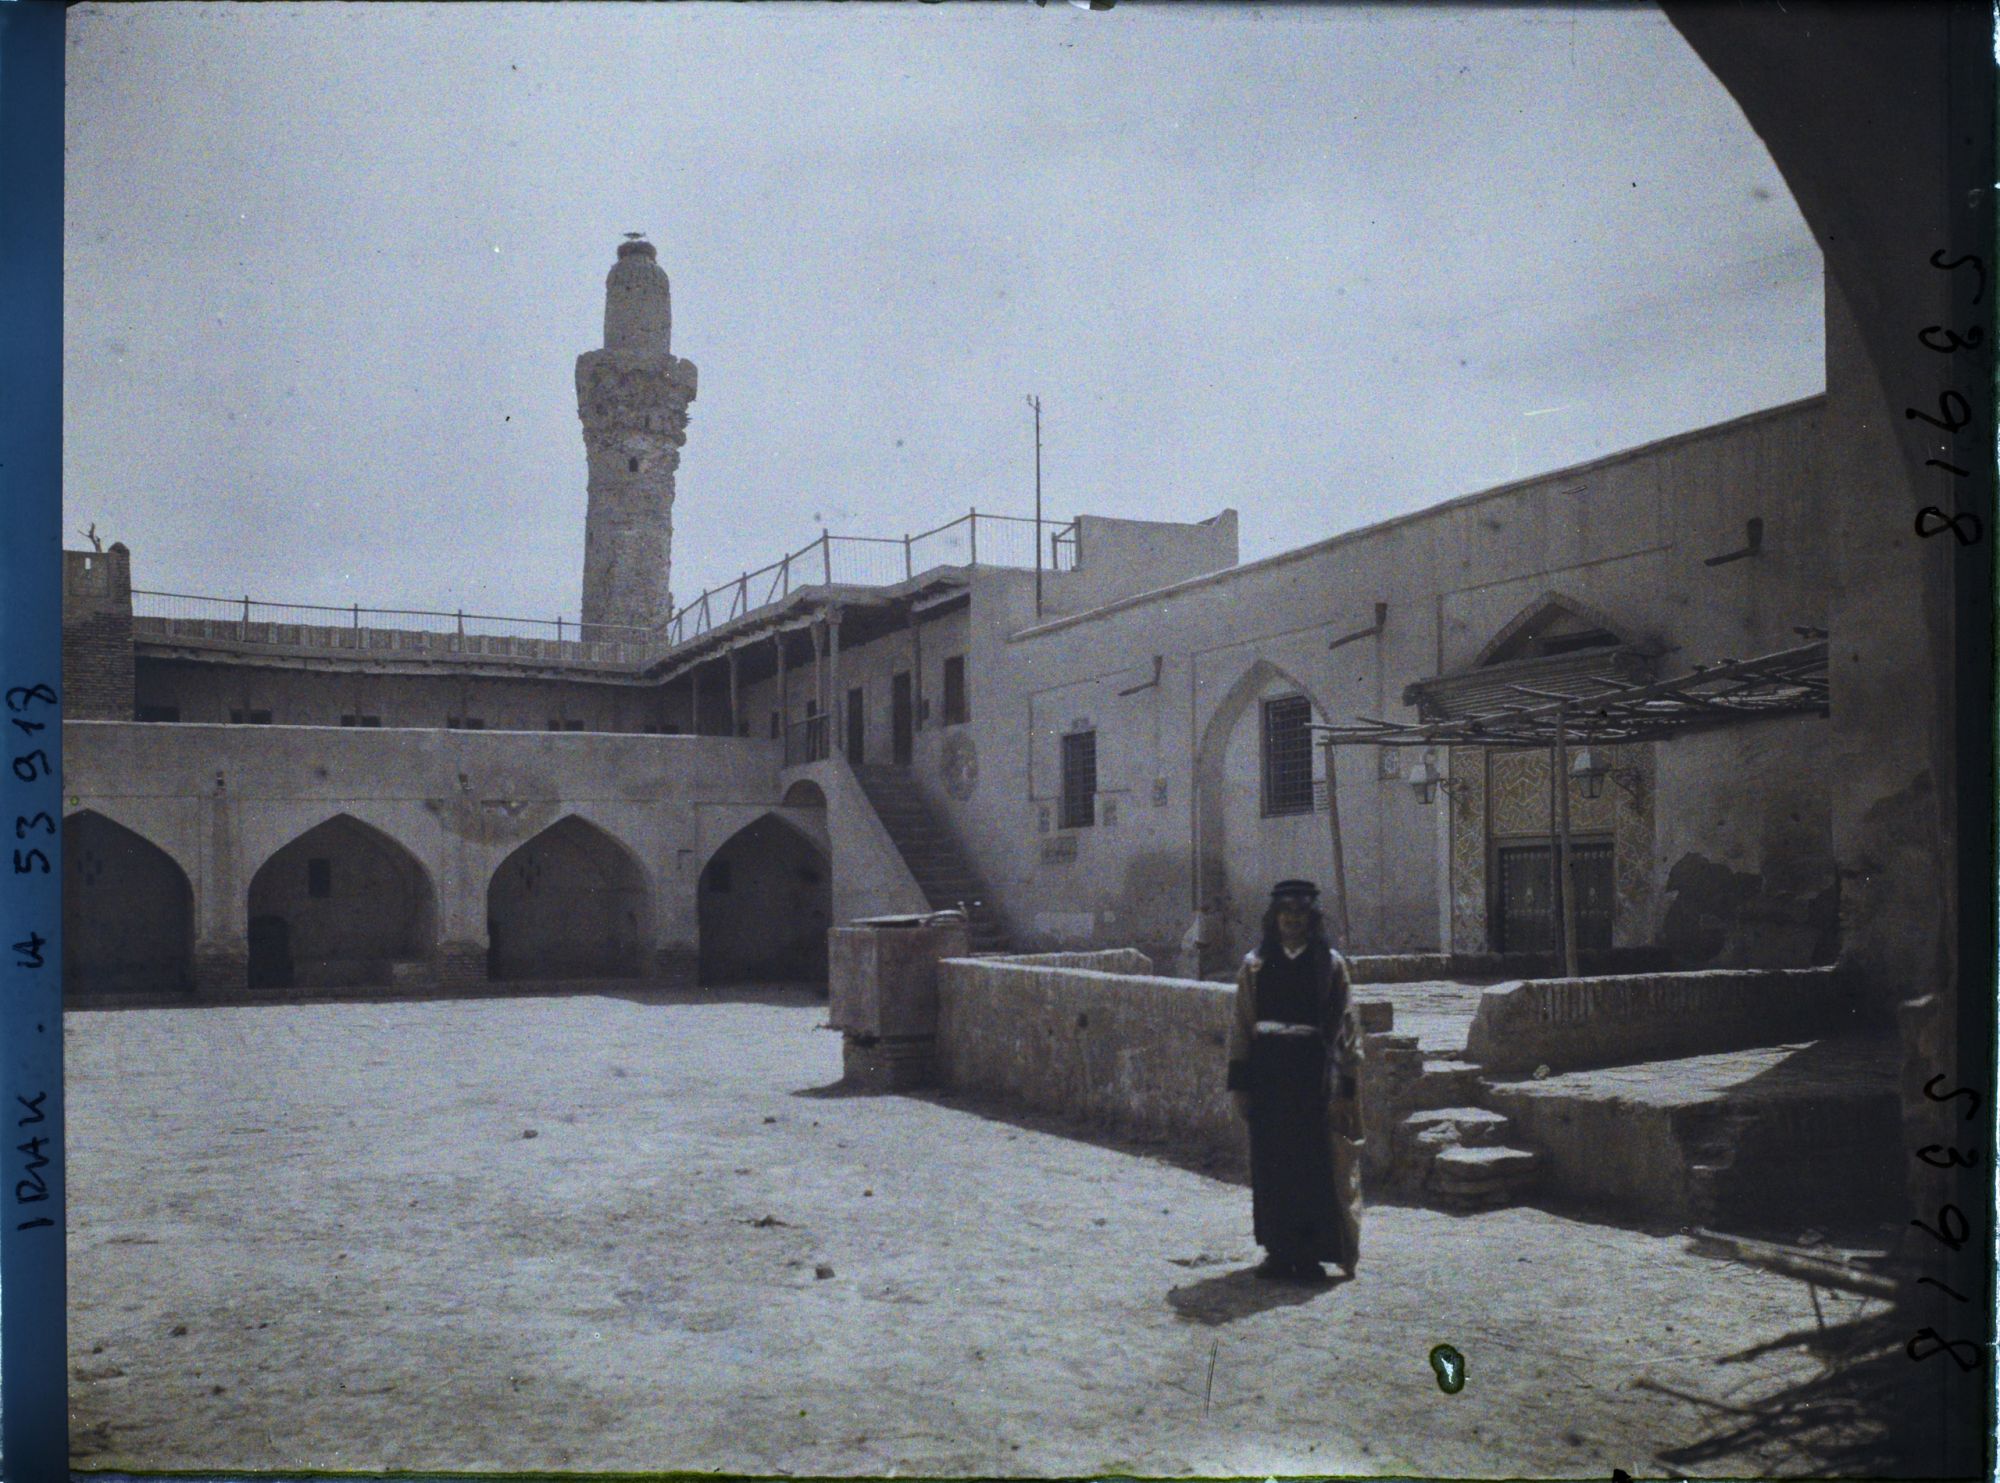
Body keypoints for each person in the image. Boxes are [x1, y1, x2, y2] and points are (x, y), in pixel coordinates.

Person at [1225, 879, 1363, 1281]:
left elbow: (1347, 1026)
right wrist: (1240, 1085)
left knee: (1311, 1164)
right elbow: (1241, 1025)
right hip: (1268, 1074)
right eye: (1286, 914)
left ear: (1311, 919)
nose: (1292, 922)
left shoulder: (1330, 965)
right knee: (1270, 1164)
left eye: (1300, 914)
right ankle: (1277, 1251)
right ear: (1275, 919)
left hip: (1311, 1075)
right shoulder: (1255, 965)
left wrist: (1347, 1086)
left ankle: (1310, 1254)